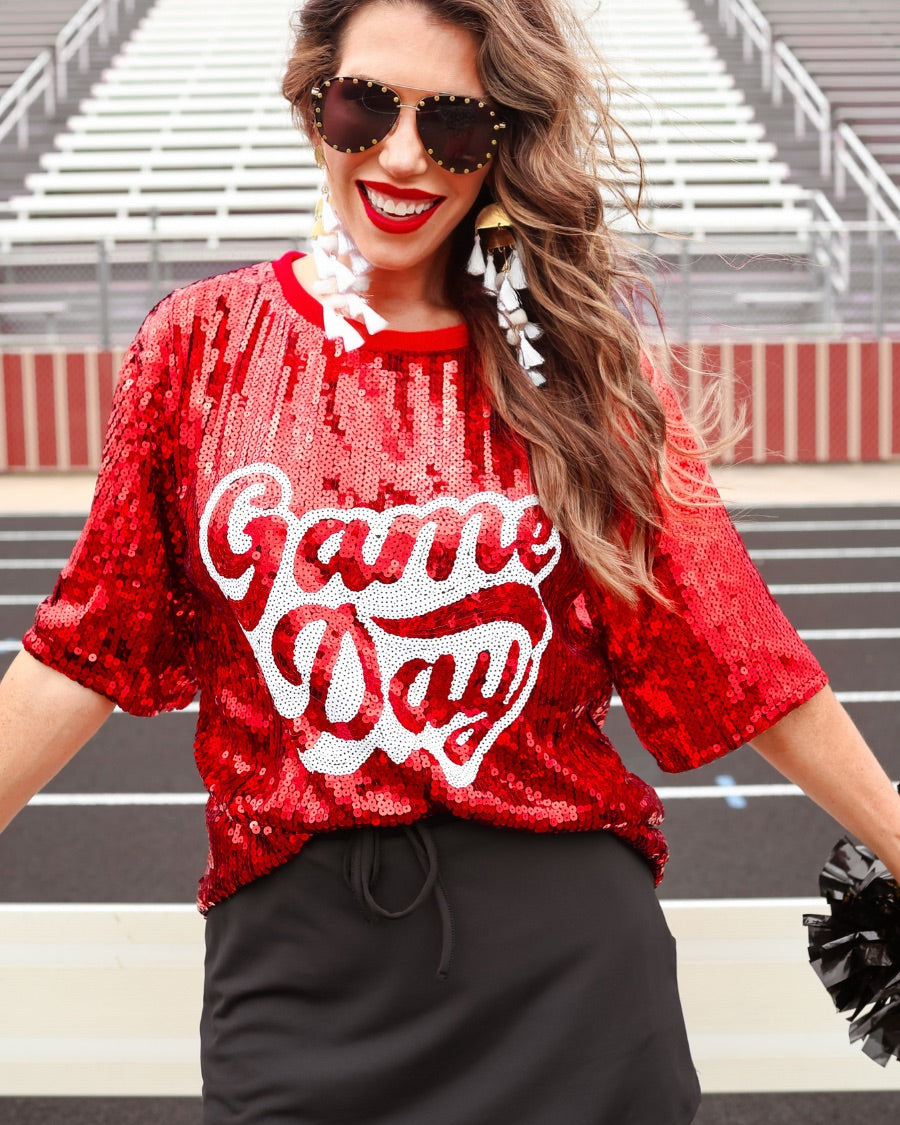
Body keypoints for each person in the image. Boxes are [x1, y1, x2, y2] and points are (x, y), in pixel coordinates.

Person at [1, 0, 898, 1121]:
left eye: (458, 125)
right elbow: (87, 644)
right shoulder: (200, 345)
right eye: (365, 106)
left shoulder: (585, 376)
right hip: (294, 970)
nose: (406, 154)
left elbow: (737, 652)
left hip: (566, 969)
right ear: (313, 104)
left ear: (504, 145)